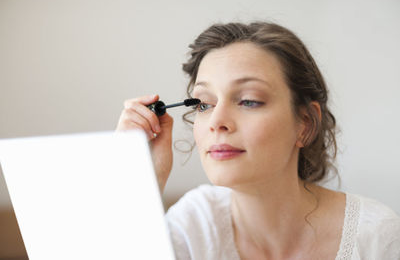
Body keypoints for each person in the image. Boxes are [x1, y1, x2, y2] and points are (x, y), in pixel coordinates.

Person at [116, 22, 400, 259]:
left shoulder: (377, 238)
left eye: (249, 101)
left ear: (305, 123)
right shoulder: (193, 225)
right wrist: (139, 180)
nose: (217, 121)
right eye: (203, 104)